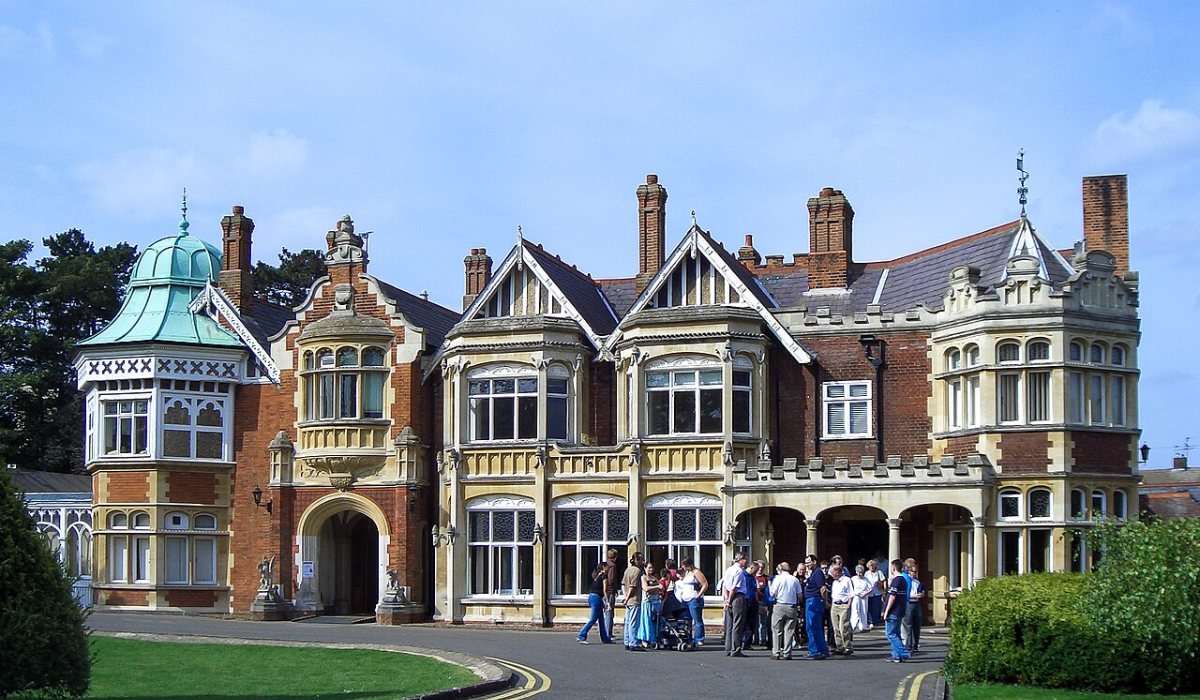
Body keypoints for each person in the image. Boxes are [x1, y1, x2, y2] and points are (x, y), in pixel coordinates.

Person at [768, 562, 801, 660]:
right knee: (789, 631)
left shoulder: (777, 579)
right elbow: (800, 595)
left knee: (777, 630)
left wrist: (770, 588)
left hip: (779, 605)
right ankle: (787, 653)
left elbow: (772, 594)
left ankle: (776, 652)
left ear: (780, 569)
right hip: (791, 606)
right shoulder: (795, 580)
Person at [721, 551, 750, 657]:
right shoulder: (739, 571)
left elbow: (724, 585)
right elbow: (734, 587)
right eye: (745, 559)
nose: (746, 561)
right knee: (737, 623)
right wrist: (729, 600)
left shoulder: (729, 570)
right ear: (740, 560)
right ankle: (735, 649)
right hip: (737, 597)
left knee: (729, 624)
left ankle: (728, 648)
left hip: (729, 596)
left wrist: (726, 599)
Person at [802, 554, 830, 660]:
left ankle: (814, 651)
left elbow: (823, 588)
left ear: (814, 561)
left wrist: (825, 601)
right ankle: (823, 650)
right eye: (806, 563)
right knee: (817, 627)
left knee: (811, 626)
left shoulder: (817, 572)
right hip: (814, 600)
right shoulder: (814, 573)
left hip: (814, 601)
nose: (807, 565)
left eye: (808, 562)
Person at [882, 559, 911, 662]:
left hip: (893, 611)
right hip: (901, 610)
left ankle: (904, 652)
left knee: (890, 634)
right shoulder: (903, 580)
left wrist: (886, 612)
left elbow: (892, 597)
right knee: (896, 633)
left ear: (893, 568)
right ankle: (896, 656)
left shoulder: (896, 580)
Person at [578, 562, 612, 644]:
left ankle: (605, 638)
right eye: (607, 566)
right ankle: (581, 636)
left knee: (601, 619)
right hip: (597, 598)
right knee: (593, 619)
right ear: (603, 567)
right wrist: (608, 602)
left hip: (592, 597)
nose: (609, 568)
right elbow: (605, 590)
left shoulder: (597, 575)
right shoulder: (604, 576)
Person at [676, 557, 708, 646]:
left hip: (694, 598)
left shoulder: (696, 572)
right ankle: (688, 637)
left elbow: (704, 584)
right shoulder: (686, 573)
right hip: (685, 599)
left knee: (697, 619)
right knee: (687, 620)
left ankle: (699, 638)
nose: (682, 567)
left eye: (683, 565)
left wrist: (698, 595)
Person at [621, 551, 645, 651]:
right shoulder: (637, 571)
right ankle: (633, 642)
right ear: (636, 560)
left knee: (628, 621)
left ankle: (627, 641)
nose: (643, 561)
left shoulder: (628, 569)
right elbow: (633, 587)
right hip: (634, 599)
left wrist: (625, 595)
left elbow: (623, 584)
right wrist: (627, 597)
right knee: (633, 622)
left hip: (628, 599)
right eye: (641, 559)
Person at [829, 564, 855, 655]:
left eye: (832, 572)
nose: (830, 574)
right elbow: (834, 595)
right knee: (836, 628)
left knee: (843, 627)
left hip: (844, 605)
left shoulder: (847, 580)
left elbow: (851, 594)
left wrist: (848, 605)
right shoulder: (834, 582)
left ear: (837, 572)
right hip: (835, 605)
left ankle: (848, 646)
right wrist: (832, 604)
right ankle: (840, 647)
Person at [637, 561, 662, 648]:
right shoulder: (643, 578)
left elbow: (658, 589)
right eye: (649, 568)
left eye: (652, 568)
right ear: (645, 568)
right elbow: (646, 588)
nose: (651, 569)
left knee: (655, 621)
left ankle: (654, 639)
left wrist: (657, 589)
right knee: (647, 621)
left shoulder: (654, 578)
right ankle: (645, 639)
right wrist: (657, 587)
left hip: (656, 602)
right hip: (647, 602)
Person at [903, 560, 925, 654]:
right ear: (909, 572)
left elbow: (920, 590)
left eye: (916, 572)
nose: (915, 574)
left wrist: (921, 594)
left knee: (917, 625)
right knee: (909, 625)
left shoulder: (916, 581)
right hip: (909, 603)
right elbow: (905, 594)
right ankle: (909, 645)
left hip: (916, 603)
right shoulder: (905, 580)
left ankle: (915, 645)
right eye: (913, 572)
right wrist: (913, 596)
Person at [863, 558, 886, 629]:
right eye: (870, 566)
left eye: (873, 566)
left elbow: (884, 580)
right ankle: (871, 621)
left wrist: (884, 590)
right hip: (869, 592)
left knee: (875, 608)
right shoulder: (866, 573)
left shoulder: (879, 572)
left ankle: (875, 622)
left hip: (877, 592)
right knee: (869, 607)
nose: (871, 567)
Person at [849, 564, 872, 633]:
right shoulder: (853, 579)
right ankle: (853, 626)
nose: (860, 574)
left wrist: (865, 593)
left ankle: (863, 627)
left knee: (864, 611)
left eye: (861, 573)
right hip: (856, 596)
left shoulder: (865, 579)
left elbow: (871, 588)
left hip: (864, 597)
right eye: (859, 573)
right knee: (855, 611)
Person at [754, 560, 772, 647]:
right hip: (754, 602)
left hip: (763, 602)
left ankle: (763, 639)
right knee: (755, 623)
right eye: (759, 567)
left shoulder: (766, 578)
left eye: (762, 567)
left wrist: (766, 603)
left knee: (763, 623)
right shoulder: (753, 577)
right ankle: (756, 639)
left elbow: (769, 590)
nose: (760, 569)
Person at [603, 548, 619, 640]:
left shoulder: (604, 564)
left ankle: (607, 632)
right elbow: (612, 579)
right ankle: (608, 633)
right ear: (615, 557)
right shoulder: (612, 566)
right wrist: (614, 589)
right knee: (609, 612)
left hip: (604, 591)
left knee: (607, 612)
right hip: (609, 591)